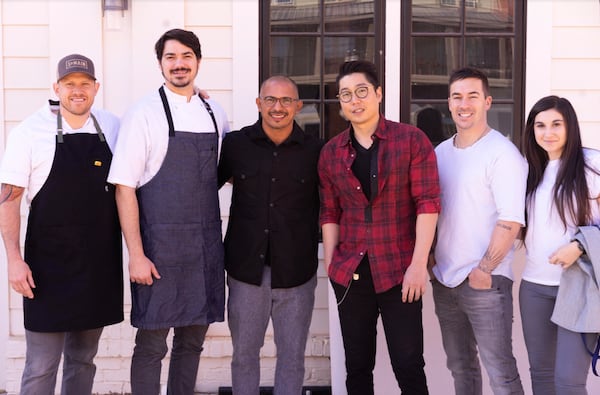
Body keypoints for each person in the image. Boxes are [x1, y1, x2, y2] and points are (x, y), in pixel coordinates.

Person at [107, 29, 229, 395]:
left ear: (198, 61)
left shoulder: (214, 111)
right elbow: (124, 188)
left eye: (186, 56)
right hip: (159, 252)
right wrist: (137, 256)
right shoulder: (143, 113)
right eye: (171, 57)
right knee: (151, 346)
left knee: (192, 343)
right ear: (160, 63)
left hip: (204, 250)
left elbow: (224, 174)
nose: (179, 64)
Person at [0, 54, 123, 395]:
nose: (78, 91)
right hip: (46, 270)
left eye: (85, 83)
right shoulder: (29, 131)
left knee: (83, 359)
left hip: (98, 266)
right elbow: (8, 199)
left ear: (96, 87)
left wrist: (193, 97)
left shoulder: (112, 126)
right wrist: (13, 259)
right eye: (70, 84)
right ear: (56, 88)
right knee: (41, 366)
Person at [318, 60, 440, 395]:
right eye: (346, 95)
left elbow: (428, 204)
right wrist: (332, 265)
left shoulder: (411, 140)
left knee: (409, 364)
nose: (354, 101)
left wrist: (418, 265)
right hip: (351, 274)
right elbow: (330, 212)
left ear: (378, 94)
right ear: (340, 104)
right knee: (357, 367)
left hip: (400, 271)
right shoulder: (331, 153)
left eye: (361, 92)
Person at [218, 75, 322, 395]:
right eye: (271, 100)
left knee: (292, 358)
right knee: (244, 356)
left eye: (286, 101)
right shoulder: (236, 144)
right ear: (259, 103)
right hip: (246, 269)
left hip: (297, 271)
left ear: (298, 106)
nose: (278, 108)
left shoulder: (315, 151)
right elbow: (206, 188)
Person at [431, 67, 526, 395]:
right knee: (461, 369)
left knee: (501, 372)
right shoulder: (440, 154)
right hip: (445, 280)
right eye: (457, 96)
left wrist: (484, 269)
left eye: (473, 96)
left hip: (486, 282)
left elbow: (511, 220)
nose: (464, 103)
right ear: (449, 103)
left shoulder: (503, 154)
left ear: (487, 101)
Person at [520, 95, 600, 394]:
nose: (547, 132)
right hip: (534, 287)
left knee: (568, 381)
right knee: (541, 376)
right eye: (539, 125)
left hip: (578, 286)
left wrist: (579, 246)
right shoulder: (530, 171)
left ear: (571, 127)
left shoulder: (592, 164)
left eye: (556, 124)